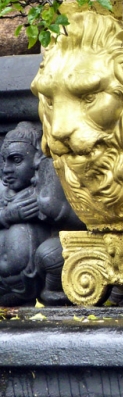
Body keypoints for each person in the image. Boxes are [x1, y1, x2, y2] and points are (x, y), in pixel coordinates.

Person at [0, 122, 79, 305]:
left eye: (16, 160)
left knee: (51, 254)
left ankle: (53, 291)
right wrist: (8, 215)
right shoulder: (3, 190)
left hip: (36, 280)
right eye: (4, 161)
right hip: (4, 287)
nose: (6, 169)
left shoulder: (45, 188)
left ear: (36, 160)